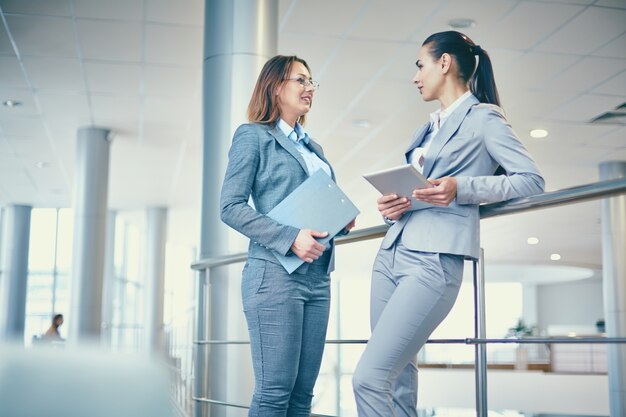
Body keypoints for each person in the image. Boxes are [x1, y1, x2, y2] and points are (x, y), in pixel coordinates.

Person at [352, 31, 545, 416]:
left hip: (433, 261)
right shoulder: (427, 127)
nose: (415, 76)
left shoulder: (484, 118)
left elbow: (532, 180)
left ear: (445, 63)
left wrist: (462, 188)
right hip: (391, 255)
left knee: (368, 378)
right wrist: (395, 204)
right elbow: (422, 191)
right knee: (397, 376)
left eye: (420, 65)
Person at [220, 55, 355, 416]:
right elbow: (230, 206)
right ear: (275, 86)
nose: (309, 88)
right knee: (274, 393)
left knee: (302, 396)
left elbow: (315, 202)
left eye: (312, 81)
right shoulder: (253, 136)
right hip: (275, 277)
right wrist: (290, 237)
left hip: (317, 277)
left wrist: (340, 219)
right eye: (300, 80)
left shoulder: (314, 148)